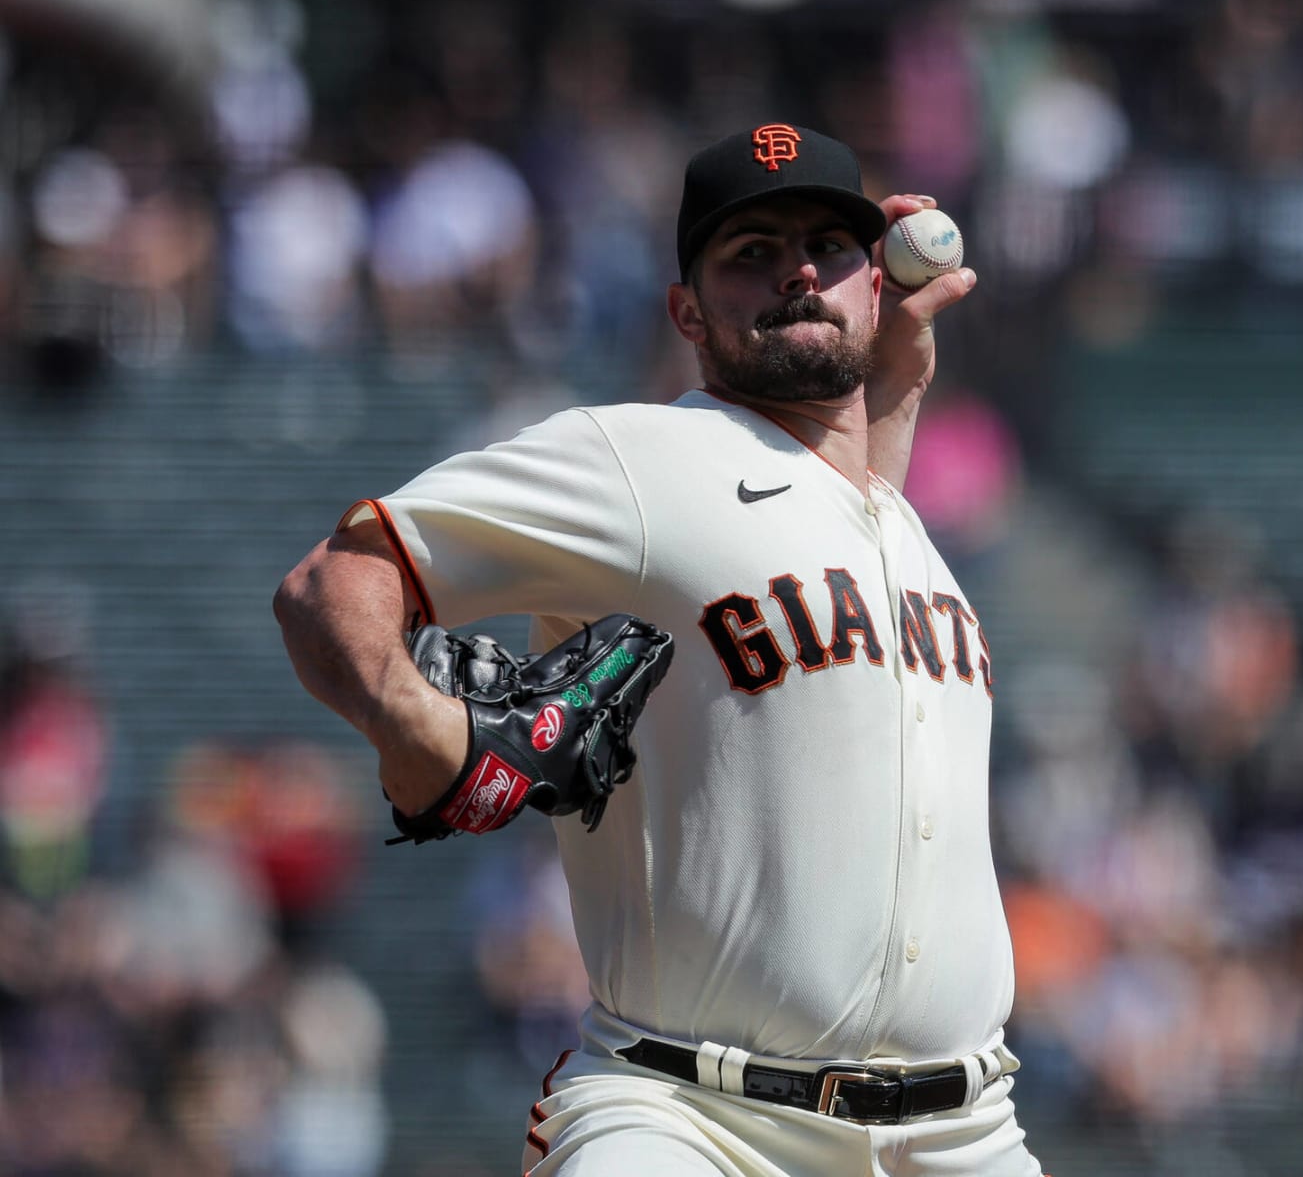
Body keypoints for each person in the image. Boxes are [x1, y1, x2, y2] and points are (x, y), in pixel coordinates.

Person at [274, 122, 1044, 1177]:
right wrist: (414, 722)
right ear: (687, 311)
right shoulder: (636, 460)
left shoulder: (893, 524)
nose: (798, 271)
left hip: (964, 1133)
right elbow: (335, 579)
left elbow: (809, 525)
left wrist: (891, 392)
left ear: (876, 287)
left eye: (829, 245)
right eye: (751, 255)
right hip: (691, 1120)